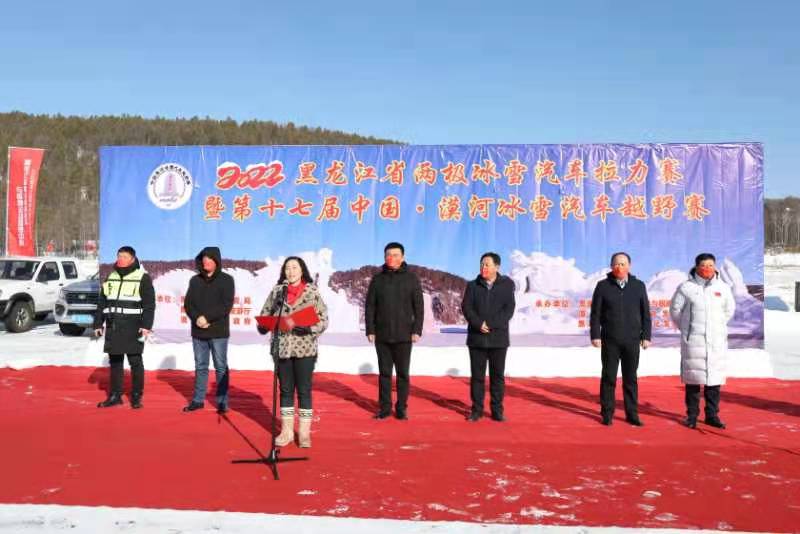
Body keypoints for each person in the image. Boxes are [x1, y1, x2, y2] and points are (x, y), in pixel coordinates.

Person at [258, 256, 328, 448]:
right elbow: (265, 313)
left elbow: (324, 319)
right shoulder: (277, 291)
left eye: (294, 267)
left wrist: (310, 329)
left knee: (304, 390)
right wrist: (263, 325)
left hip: (305, 348)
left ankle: (304, 433)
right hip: (281, 348)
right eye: (287, 268)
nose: (290, 271)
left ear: (302, 270)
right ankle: (286, 431)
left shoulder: (312, 292)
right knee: (286, 390)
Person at [670, 253, 736, 429]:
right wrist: (688, 329)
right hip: (694, 341)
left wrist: (717, 327)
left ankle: (712, 415)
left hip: (715, 342)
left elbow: (729, 310)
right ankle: (692, 416)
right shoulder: (686, 288)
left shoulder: (723, 288)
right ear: (697, 267)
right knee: (693, 381)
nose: (707, 269)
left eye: (710, 265)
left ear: (715, 267)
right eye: (703, 265)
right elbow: (675, 311)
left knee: (713, 381)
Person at [590, 252, 651, 426]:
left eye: (623, 264)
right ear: (611, 266)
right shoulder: (603, 286)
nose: (619, 267)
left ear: (629, 266)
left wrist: (646, 335)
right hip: (610, 339)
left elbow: (645, 313)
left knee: (630, 378)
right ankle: (607, 413)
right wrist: (595, 335)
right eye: (616, 264)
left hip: (632, 340)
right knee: (608, 377)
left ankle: (632, 414)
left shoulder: (638, 286)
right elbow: (595, 313)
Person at [365, 242, 424, 420]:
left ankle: (401, 408)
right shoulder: (377, 280)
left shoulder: (411, 279)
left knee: (403, 374)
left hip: (404, 335)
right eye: (388, 255)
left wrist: (417, 330)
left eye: (395, 255)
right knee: (384, 374)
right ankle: (384, 408)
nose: (391, 258)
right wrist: (370, 329)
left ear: (402, 257)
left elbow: (419, 307)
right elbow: (370, 306)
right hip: (382, 335)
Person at [93, 246, 156, 409]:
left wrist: (146, 326)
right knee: (115, 362)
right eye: (119, 255)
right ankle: (115, 396)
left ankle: (136, 396)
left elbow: (149, 305)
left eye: (125, 256)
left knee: (135, 362)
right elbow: (102, 302)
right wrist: (98, 323)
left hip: (133, 327)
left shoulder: (142, 277)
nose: (121, 259)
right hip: (113, 325)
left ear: (133, 259)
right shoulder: (111, 276)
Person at [461, 252, 516, 422]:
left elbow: (508, 310)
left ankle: (497, 410)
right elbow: (466, 308)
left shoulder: (507, 285)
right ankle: (476, 410)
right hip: (477, 338)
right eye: (481, 264)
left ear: (497, 267)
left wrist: (490, 324)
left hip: (498, 339)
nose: (483, 267)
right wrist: (478, 324)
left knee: (497, 377)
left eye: (487, 264)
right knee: (477, 377)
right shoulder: (472, 285)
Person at [183, 246, 235, 414]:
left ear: (216, 261)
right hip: (198, 331)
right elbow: (188, 304)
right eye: (203, 258)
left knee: (220, 367)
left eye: (209, 258)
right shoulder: (194, 280)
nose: (206, 261)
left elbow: (226, 305)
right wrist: (197, 318)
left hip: (218, 331)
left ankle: (222, 402)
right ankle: (198, 400)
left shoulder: (227, 280)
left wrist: (207, 318)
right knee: (200, 366)